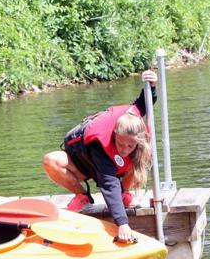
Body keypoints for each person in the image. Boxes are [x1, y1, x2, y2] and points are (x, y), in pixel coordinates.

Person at [42, 70, 157, 243]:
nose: (125, 149)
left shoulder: (133, 120)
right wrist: (122, 223)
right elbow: (109, 184)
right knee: (50, 160)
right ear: (114, 135)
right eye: (121, 144)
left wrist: (152, 85)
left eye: (130, 146)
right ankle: (82, 196)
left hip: (117, 166)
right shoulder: (100, 144)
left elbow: (145, 101)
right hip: (84, 164)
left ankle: (124, 194)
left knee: (144, 154)